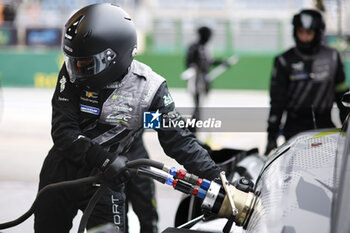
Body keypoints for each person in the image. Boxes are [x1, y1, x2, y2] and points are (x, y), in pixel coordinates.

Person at [34, 3, 221, 233]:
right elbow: (64, 132)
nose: (75, 69)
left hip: (106, 178)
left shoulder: (150, 90)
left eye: (84, 64)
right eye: (73, 61)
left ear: (115, 56)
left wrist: (218, 177)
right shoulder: (73, 71)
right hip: (62, 171)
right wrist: (103, 158)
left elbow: (179, 140)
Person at [265, 9, 349, 155]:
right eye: (301, 32)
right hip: (294, 127)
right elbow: (277, 102)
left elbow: (343, 97)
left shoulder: (333, 57)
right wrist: (271, 136)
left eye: (308, 33)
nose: (304, 37)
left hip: (325, 125)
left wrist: (347, 128)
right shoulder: (284, 60)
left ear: (318, 33)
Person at [185, 26, 226, 124]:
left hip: (204, 81)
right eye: (208, 35)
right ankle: (192, 129)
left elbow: (209, 62)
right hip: (196, 81)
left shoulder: (205, 48)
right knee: (197, 106)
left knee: (200, 106)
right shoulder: (194, 47)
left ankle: (194, 128)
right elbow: (190, 64)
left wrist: (221, 62)